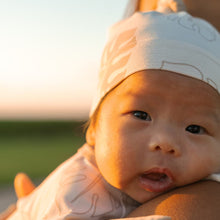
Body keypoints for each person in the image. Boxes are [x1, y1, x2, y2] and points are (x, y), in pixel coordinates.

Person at [3, 1, 220, 220]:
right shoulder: (73, 198)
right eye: (140, 115)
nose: (165, 142)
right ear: (94, 130)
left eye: (195, 128)